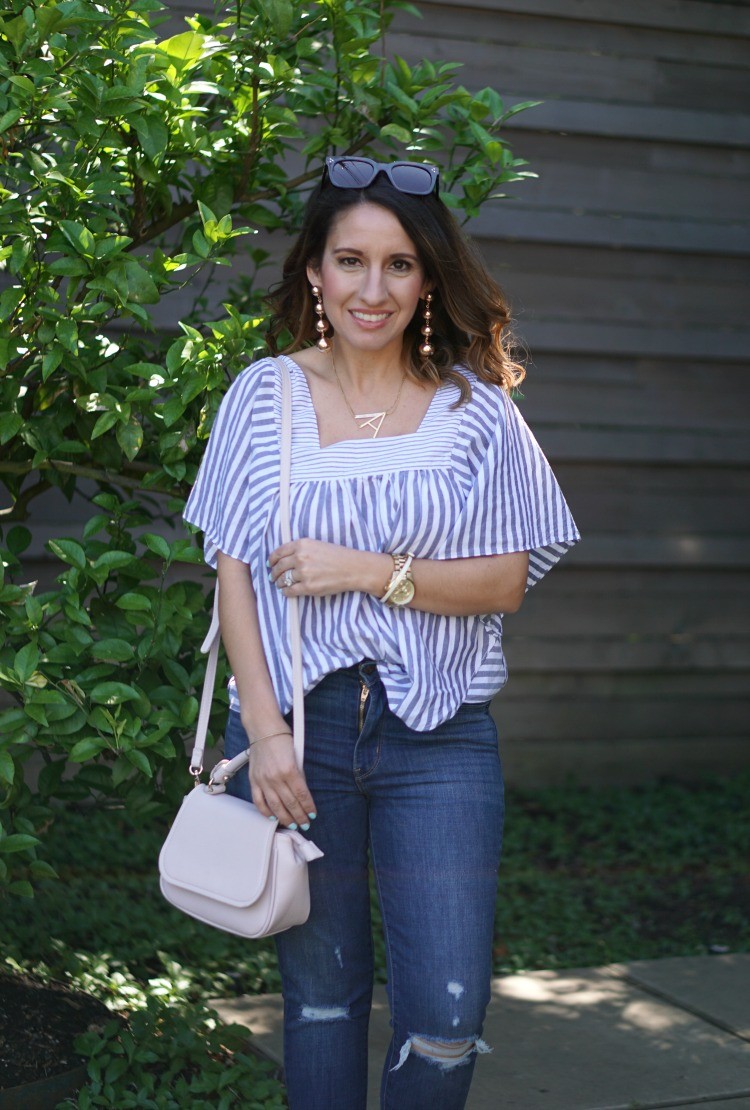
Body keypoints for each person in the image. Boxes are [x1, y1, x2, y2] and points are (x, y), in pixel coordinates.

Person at [183, 155, 579, 1110]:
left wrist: (366, 572)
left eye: (399, 264)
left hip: (436, 738)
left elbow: (503, 583)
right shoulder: (262, 396)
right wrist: (268, 734)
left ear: (428, 277)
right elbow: (232, 576)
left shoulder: (476, 412)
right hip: (297, 736)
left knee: (445, 1016)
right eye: (350, 261)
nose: (374, 288)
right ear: (314, 271)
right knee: (321, 1001)